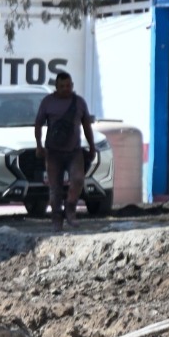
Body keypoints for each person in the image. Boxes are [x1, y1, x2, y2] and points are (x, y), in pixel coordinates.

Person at [34, 71, 96, 232]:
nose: (65, 89)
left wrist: (92, 146)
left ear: (72, 86)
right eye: (61, 86)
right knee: (55, 188)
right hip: (53, 153)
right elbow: (38, 124)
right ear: (56, 87)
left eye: (68, 85)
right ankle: (56, 218)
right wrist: (39, 146)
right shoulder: (48, 102)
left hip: (74, 151)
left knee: (77, 180)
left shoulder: (79, 102)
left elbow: (87, 127)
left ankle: (70, 210)